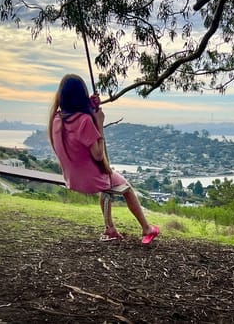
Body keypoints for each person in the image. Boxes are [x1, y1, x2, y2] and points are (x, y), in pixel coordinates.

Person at [48, 74, 159, 244]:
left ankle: (110, 228)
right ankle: (146, 228)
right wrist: (99, 122)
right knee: (126, 189)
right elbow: (98, 154)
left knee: (107, 185)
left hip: (72, 178)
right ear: (81, 96)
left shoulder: (56, 119)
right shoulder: (84, 121)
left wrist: (90, 107)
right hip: (91, 179)